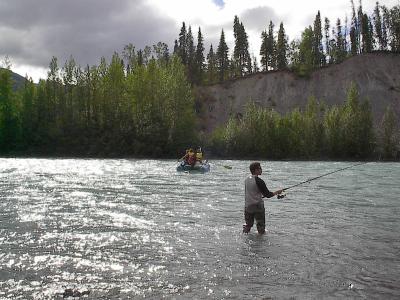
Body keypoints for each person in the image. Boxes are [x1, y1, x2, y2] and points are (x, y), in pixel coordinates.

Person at [243, 162, 283, 234]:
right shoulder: (259, 181)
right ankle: (260, 243)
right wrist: (277, 192)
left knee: (248, 225)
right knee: (260, 227)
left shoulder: (246, 179)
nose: (261, 170)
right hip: (258, 206)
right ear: (255, 170)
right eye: (260, 168)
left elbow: (253, 192)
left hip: (248, 206)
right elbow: (268, 195)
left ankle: (244, 239)